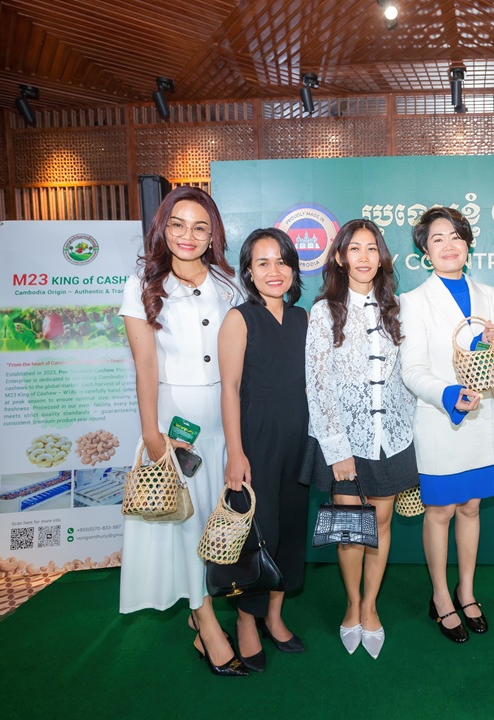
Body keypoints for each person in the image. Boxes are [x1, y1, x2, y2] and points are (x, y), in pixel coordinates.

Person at [118, 185, 247, 676]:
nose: (187, 235)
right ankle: (206, 623)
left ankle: (203, 607)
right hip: (176, 426)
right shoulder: (141, 285)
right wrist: (153, 436)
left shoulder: (230, 284)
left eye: (199, 226)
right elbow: (145, 365)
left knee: (215, 519)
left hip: (226, 418)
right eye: (177, 224)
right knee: (187, 523)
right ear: (163, 228)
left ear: (213, 234)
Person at [303, 219, 419, 659]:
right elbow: (318, 386)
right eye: (355, 248)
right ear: (340, 257)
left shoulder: (397, 309)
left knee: (382, 523)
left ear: (381, 257)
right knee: (352, 529)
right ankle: (351, 604)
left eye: (372, 248)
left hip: (391, 438)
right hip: (345, 442)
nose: (365, 257)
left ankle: (371, 605)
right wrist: (337, 450)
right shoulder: (324, 312)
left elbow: (408, 376)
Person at [399, 206, 494, 644]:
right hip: (441, 422)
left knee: (472, 507)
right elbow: (412, 370)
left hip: (482, 421)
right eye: (438, 239)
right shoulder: (413, 301)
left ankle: (467, 590)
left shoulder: (489, 294)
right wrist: (447, 394)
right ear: (425, 251)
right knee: (440, 511)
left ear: (468, 244)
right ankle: (441, 596)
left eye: (456, 236)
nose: (449, 245)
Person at [219, 228, 311, 673]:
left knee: (290, 531)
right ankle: (246, 620)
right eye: (263, 263)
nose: (274, 271)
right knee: (256, 536)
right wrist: (235, 453)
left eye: (282, 261)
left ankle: (274, 616)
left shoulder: (302, 318)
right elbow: (229, 389)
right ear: (249, 273)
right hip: (255, 442)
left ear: (293, 268)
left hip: (299, 442)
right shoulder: (239, 319)